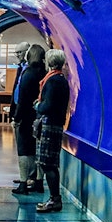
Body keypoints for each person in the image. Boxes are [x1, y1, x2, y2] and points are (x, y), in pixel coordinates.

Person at [35, 49, 71, 213]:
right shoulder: (61, 79)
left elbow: (48, 105)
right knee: (49, 164)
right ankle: (54, 199)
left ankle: (54, 199)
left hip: (51, 125)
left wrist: (37, 106)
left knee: (48, 164)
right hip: (55, 124)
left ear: (49, 62)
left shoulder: (53, 81)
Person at [12, 44, 46, 194]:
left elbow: (23, 99)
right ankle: (38, 181)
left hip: (26, 117)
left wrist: (16, 118)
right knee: (37, 150)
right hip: (40, 117)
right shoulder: (44, 73)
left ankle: (23, 183)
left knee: (24, 150)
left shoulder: (28, 74)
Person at [8, 41, 31, 123]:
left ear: (27, 52)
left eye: (20, 52)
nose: (17, 55)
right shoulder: (20, 67)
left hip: (26, 108)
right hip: (17, 104)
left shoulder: (31, 68)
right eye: (16, 53)